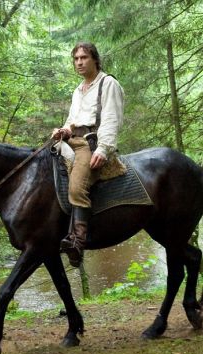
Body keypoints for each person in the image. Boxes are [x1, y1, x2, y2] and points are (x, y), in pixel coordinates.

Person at [51, 42, 124, 267]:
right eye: (76, 59)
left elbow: (112, 119)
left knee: (76, 186)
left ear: (95, 59)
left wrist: (103, 149)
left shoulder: (107, 83)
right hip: (71, 140)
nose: (80, 62)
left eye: (84, 57)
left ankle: (77, 240)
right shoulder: (78, 90)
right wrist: (64, 130)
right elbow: (72, 122)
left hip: (89, 144)